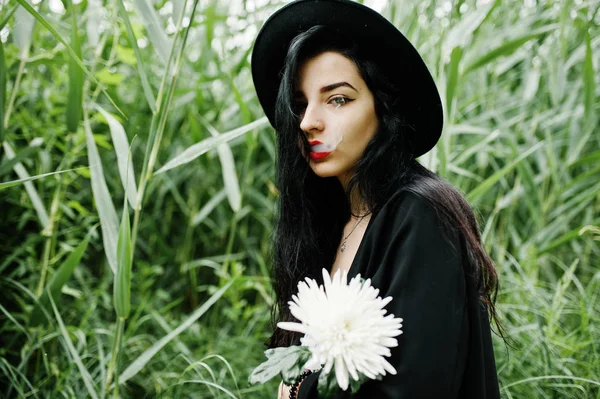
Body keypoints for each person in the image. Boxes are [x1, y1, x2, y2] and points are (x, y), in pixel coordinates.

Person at [250, 0, 504, 398]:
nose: (308, 121)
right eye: (300, 104)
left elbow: (419, 386)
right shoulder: (331, 220)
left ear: (383, 110)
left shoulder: (422, 214)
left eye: (338, 99)